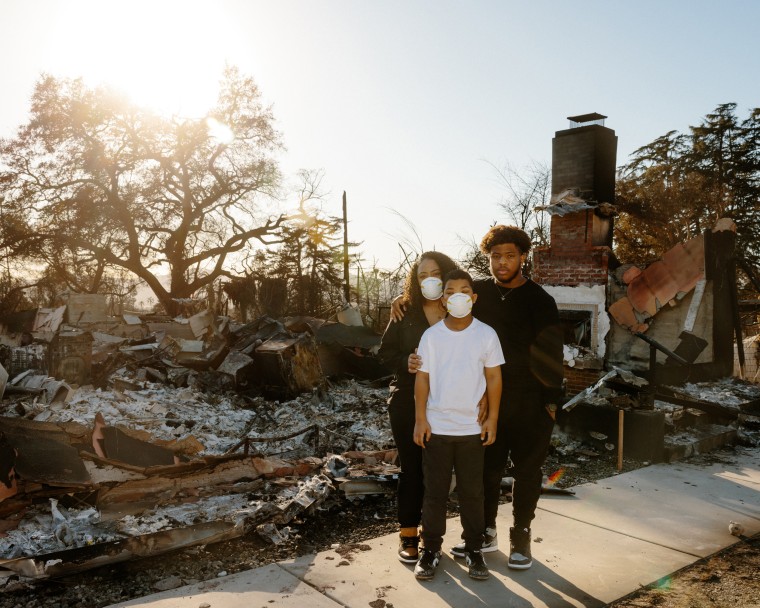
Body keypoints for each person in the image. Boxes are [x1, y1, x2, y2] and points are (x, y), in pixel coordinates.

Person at [394, 225, 564, 571]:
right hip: (488, 399)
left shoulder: (540, 300)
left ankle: (521, 535)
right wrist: (404, 298)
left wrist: (550, 403)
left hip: (530, 399)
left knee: (528, 471)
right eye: (495, 256)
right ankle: (485, 532)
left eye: (510, 256)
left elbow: (551, 354)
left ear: (523, 258)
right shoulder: (480, 292)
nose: (502, 262)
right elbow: (444, 301)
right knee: (487, 472)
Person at [412, 269, 504, 581]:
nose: (458, 296)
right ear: (443, 298)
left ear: (474, 298)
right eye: (451, 291)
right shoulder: (431, 336)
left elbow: (493, 377)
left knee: (472, 494)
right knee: (435, 493)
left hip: (471, 430)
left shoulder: (486, 334)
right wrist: (420, 419)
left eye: (465, 290)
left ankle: (474, 550)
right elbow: (422, 379)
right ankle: (431, 550)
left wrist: (492, 418)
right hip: (437, 429)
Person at [378, 251, 458, 564]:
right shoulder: (405, 310)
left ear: (447, 274)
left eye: (435, 273)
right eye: (422, 275)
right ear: (415, 280)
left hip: (449, 402)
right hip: (407, 401)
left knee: (437, 472)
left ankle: (432, 534)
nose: (429, 280)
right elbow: (383, 354)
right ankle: (408, 533)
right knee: (412, 469)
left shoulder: (460, 306)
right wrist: (404, 361)